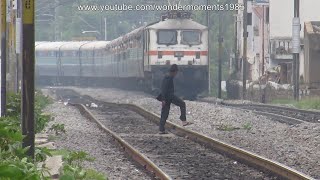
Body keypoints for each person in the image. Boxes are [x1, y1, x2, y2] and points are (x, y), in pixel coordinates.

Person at [157, 64, 192, 134]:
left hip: (168, 97)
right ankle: (183, 120)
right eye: (176, 72)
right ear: (174, 71)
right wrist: (163, 99)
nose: (176, 74)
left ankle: (161, 129)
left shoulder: (169, 76)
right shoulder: (168, 77)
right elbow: (164, 89)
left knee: (165, 113)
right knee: (182, 104)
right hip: (168, 97)